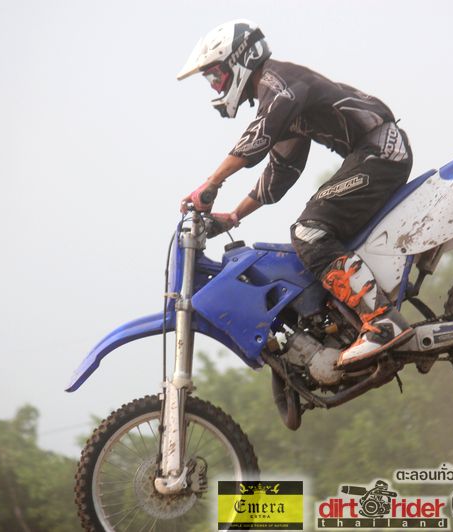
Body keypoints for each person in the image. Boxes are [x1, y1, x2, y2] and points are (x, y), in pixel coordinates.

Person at [177, 19, 414, 369]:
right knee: (314, 230)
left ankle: (382, 321)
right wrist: (235, 216)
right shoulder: (283, 96)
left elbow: (257, 138)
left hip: (380, 152)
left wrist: (211, 184)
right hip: (373, 154)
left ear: (239, 59)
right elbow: (281, 171)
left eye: (216, 74)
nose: (215, 84)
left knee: (309, 233)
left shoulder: (279, 84)